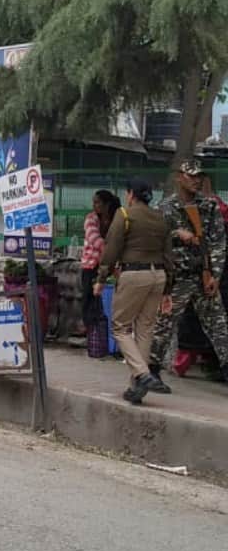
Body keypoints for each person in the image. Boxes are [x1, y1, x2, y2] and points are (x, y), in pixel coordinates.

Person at [149, 160, 228, 388]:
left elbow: (219, 243)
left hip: (203, 276)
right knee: (165, 323)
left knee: (219, 325)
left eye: (199, 176)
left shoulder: (209, 207)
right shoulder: (164, 209)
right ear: (179, 178)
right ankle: (152, 372)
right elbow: (155, 240)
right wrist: (176, 234)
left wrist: (214, 274)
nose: (197, 180)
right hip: (178, 278)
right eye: (191, 176)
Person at [95, 179, 174, 405]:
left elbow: (112, 249)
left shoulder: (125, 215)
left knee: (119, 327)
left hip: (134, 274)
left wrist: (101, 278)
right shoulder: (160, 218)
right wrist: (168, 288)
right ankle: (136, 387)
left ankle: (142, 373)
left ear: (131, 195)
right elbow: (169, 256)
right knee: (145, 329)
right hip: (158, 276)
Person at [81, 190, 121, 340]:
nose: (94, 205)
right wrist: (113, 254)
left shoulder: (116, 219)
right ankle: (91, 335)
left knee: (105, 302)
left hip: (109, 266)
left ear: (107, 204)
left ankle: (105, 334)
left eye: (97, 202)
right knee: (89, 300)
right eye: (94, 202)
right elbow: (95, 240)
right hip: (91, 265)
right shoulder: (91, 219)